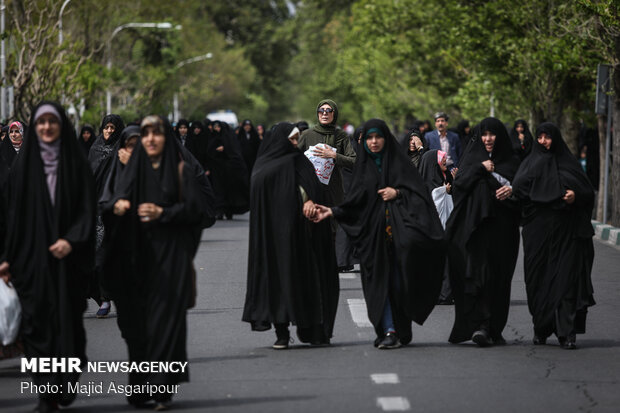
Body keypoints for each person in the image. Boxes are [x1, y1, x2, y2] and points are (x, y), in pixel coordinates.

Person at [106, 115, 209, 410]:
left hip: (170, 264)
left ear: (167, 137)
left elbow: (195, 212)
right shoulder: (132, 170)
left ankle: (162, 390)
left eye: (157, 133)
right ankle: (139, 388)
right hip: (135, 263)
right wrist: (118, 205)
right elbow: (109, 202)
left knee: (165, 327)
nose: (150, 138)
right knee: (138, 330)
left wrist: (163, 214)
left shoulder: (181, 170)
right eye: (146, 133)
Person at [313, 119, 446, 349]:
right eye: (369, 138)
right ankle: (389, 330)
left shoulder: (399, 165)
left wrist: (398, 192)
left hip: (400, 240)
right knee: (379, 287)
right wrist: (333, 211)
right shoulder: (363, 169)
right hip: (373, 242)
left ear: (386, 139)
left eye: (378, 137)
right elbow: (355, 202)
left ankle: (399, 328)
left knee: (398, 286)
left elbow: (419, 195)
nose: (373, 142)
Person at [0, 101, 95, 413]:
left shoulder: (76, 165)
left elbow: (86, 211)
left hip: (69, 264)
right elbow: (12, 218)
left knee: (69, 329)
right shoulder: (23, 169)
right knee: (37, 329)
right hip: (31, 263)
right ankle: (46, 393)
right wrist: (7, 258)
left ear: (60, 126)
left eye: (52, 122)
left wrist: (72, 240)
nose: (46, 128)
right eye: (40, 123)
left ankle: (65, 381)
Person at [243, 122, 339, 348]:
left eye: (297, 139)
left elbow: (313, 188)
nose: (295, 144)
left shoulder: (300, 162)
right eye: (292, 140)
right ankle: (282, 332)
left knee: (308, 281)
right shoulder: (263, 167)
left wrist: (310, 202)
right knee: (278, 282)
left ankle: (314, 330)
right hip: (274, 239)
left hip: (304, 236)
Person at [512, 122, 595, 350]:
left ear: (555, 139)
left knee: (566, 280)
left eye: (547, 137)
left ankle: (566, 333)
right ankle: (541, 328)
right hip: (537, 233)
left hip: (566, 232)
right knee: (537, 281)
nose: (543, 142)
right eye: (540, 137)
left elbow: (586, 191)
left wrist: (574, 196)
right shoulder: (530, 163)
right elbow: (519, 190)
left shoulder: (568, 163)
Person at [445, 117, 521, 347]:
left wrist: (511, 191)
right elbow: (458, 188)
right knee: (480, 277)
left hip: (503, 231)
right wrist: (480, 169)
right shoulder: (472, 159)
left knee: (500, 278)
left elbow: (525, 189)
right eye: (484, 134)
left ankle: (494, 327)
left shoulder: (511, 162)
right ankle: (481, 326)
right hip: (476, 231)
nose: (488, 139)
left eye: (493, 134)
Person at [88, 114, 125, 318]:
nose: (109, 131)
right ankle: (102, 298)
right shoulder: (94, 148)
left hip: (114, 211)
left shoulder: (123, 149)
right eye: (106, 127)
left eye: (112, 128)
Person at [297, 99, 356, 208]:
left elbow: (354, 161)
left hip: (334, 190)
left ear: (335, 113)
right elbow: (294, 159)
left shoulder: (341, 135)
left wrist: (334, 155)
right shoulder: (307, 135)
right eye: (321, 110)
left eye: (329, 110)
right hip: (311, 190)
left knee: (333, 222)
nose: (324, 113)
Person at [419, 149, 454, 305]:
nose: (445, 160)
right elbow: (434, 198)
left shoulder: (443, 180)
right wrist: (443, 190)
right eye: (442, 159)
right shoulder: (431, 186)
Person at [205, 120, 249, 219]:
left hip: (229, 171)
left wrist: (225, 149)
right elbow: (208, 153)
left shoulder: (229, 140)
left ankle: (229, 211)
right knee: (218, 191)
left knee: (229, 192)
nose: (216, 130)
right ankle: (219, 211)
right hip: (216, 170)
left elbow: (235, 154)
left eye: (218, 127)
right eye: (215, 127)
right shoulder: (212, 138)